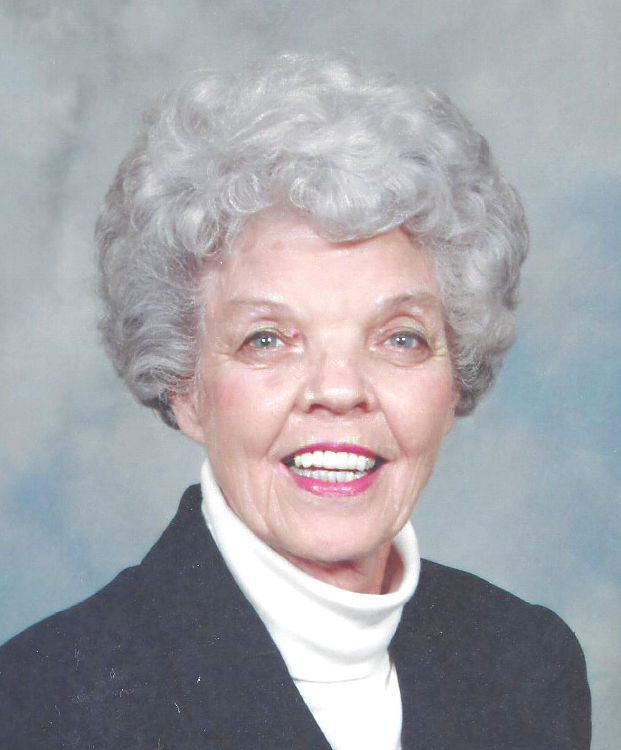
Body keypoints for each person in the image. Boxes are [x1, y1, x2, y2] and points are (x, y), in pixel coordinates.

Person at [0, 53, 590, 749]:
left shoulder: (527, 665)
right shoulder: (44, 707)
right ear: (184, 388)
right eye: (268, 339)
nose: (338, 390)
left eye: (399, 337)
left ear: (454, 377)